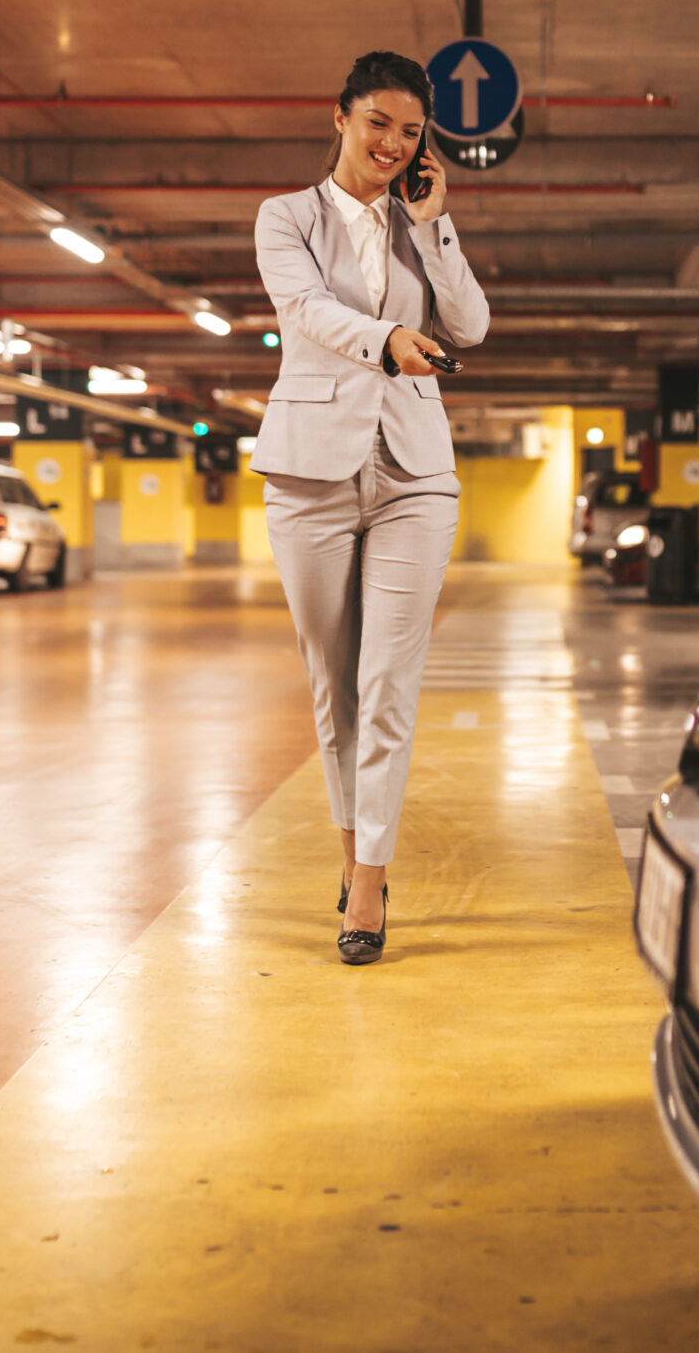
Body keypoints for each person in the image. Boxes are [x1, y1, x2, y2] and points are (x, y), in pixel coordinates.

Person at [250, 51, 489, 966]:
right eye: (378, 122)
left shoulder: (417, 221)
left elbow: (469, 325)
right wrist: (386, 339)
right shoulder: (287, 219)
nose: (394, 143)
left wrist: (436, 228)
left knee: (389, 682)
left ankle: (370, 879)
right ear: (340, 118)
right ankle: (353, 849)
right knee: (334, 680)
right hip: (310, 470)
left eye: (411, 131)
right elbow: (305, 311)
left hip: (414, 474)